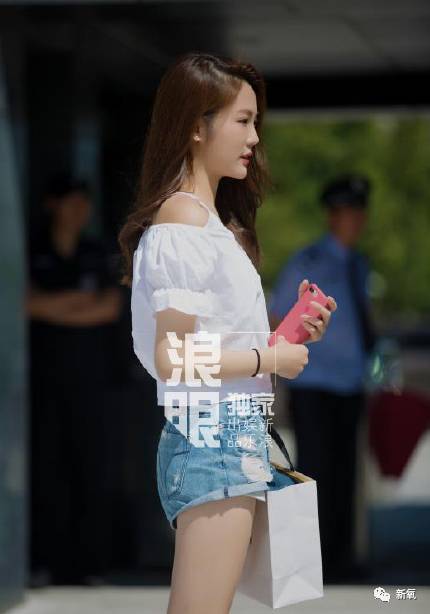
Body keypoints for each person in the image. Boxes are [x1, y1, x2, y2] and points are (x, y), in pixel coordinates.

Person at [118, 52, 337, 614]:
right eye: (242, 121)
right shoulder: (184, 221)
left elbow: (211, 347)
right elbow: (173, 358)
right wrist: (270, 358)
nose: (254, 138)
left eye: (254, 122)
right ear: (197, 126)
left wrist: (288, 336)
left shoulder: (207, 222)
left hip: (226, 435)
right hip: (213, 438)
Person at [268, 174, 376, 583]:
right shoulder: (308, 262)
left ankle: (342, 556)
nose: (357, 220)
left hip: (350, 384)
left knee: (347, 473)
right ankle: (312, 560)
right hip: (314, 385)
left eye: (360, 212)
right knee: (314, 473)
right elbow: (279, 318)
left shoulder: (359, 264)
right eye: (349, 212)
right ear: (333, 216)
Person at [26, 174, 122, 585]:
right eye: (72, 201)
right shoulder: (32, 249)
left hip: (91, 380)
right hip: (41, 381)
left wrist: (51, 307)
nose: (80, 210)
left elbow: (109, 308)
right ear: (53, 204)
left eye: (85, 202)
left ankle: (87, 565)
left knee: (90, 468)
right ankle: (43, 562)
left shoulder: (98, 252)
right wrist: (78, 304)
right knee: (46, 470)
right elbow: (23, 304)